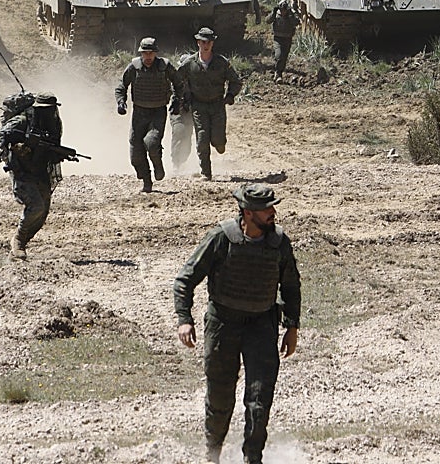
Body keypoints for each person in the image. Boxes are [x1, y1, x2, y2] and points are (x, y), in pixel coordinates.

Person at [173, 184, 301, 464]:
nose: (273, 213)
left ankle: (252, 458)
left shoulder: (279, 242)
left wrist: (292, 327)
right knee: (219, 398)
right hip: (223, 325)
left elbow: (291, 286)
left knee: (259, 400)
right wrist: (185, 319)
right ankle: (213, 455)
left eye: (272, 207)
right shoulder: (221, 238)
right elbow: (185, 279)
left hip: (262, 326)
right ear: (247, 212)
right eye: (266, 209)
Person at [0, 92, 64, 260]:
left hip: (40, 170)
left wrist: (58, 154)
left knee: (43, 211)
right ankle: (17, 241)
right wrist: (18, 146)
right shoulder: (22, 121)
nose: (49, 112)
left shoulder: (53, 123)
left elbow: (53, 146)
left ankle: (22, 243)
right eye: (45, 109)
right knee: (36, 206)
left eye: (51, 109)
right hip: (22, 171)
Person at [115, 37, 188, 193]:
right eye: (145, 53)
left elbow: (179, 84)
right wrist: (121, 102)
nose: (148, 57)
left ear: (155, 53)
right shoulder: (134, 67)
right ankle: (147, 182)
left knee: (151, 142)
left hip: (158, 112)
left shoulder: (165, 66)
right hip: (139, 113)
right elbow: (121, 86)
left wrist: (176, 101)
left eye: (151, 53)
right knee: (136, 154)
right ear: (141, 54)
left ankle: (158, 164)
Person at [179, 28, 243, 181]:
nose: (205, 45)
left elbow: (236, 81)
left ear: (212, 43)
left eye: (208, 42)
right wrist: (184, 97)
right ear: (198, 43)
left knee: (218, 141)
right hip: (198, 106)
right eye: (202, 42)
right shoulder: (189, 64)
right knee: (202, 139)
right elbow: (177, 81)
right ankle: (206, 173)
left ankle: (220, 145)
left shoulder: (221, 62)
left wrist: (230, 95)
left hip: (217, 106)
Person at [266, 0, 301, 82]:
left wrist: (291, 15)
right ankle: (277, 74)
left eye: (285, 10)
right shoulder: (276, 14)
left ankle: (279, 73)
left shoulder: (290, 15)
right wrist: (273, 13)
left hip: (288, 38)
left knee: (284, 57)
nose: (283, 12)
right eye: (282, 9)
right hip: (278, 38)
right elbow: (267, 20)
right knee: (279, 55)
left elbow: (296, 22)